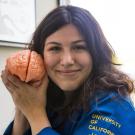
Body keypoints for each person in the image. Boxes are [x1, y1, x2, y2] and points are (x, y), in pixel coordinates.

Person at [1, 5, 135, 135]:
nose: (67, 61)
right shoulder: (47, 95)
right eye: (55, 48)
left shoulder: (114, 104)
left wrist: (36, 114)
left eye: (79, 47)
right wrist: (22, 104)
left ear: (95, 53)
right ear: (40, 54)